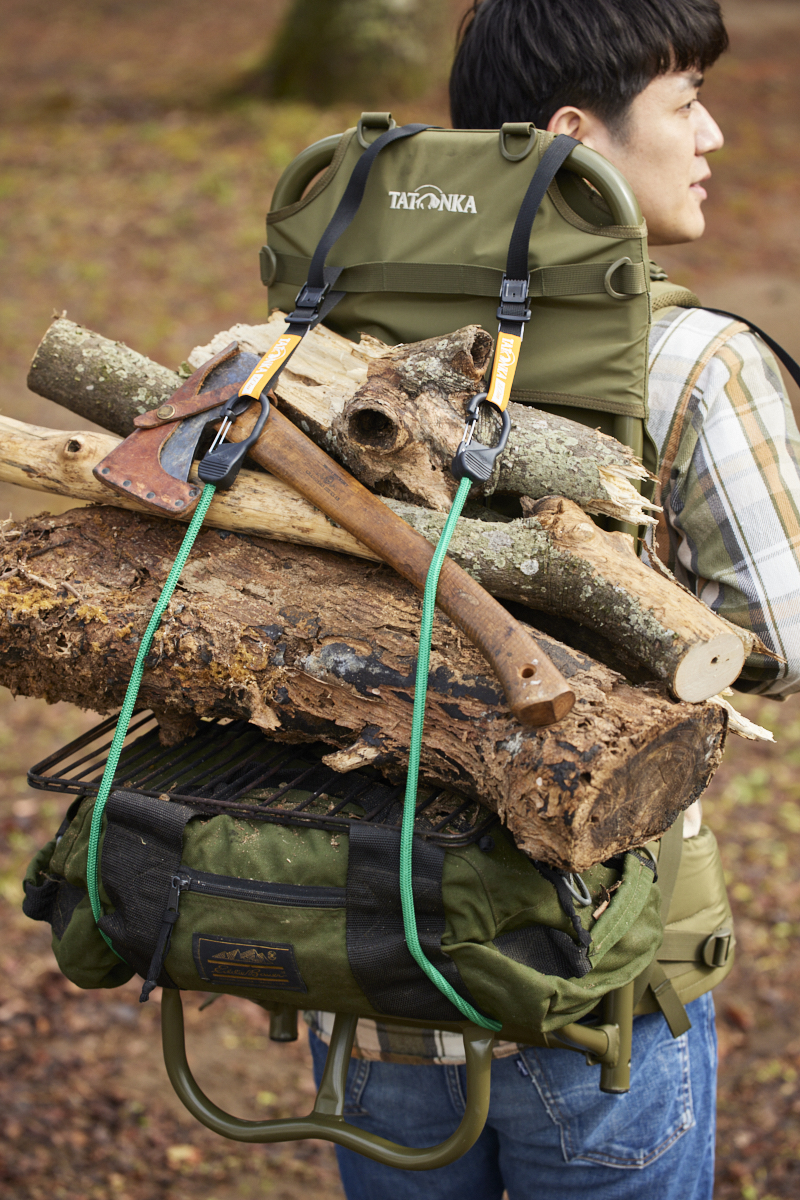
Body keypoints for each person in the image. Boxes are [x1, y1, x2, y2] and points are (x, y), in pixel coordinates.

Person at [307, 2, 800, 1196]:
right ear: (577, 139)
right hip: (595, 983)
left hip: (366, 962)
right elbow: (777, 645)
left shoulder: (327, 329)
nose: (714, 135)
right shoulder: (692, 360)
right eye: (685, 102)